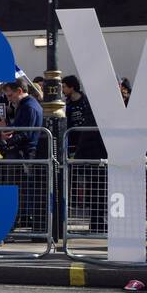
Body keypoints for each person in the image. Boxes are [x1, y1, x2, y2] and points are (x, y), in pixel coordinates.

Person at [0, 77, 45, 232]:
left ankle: (11, 223)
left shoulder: (28, 107)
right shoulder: (27, 105)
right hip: (23, 153)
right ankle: (15, 221)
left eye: (10, 95)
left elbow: (25, 132)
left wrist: (7, 142)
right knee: (19, 191)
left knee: (16, 190)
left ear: (20, 91)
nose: (9, 99)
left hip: (22, 154)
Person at [62, 75, 105, 233]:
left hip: (90, 151)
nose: (62, 90)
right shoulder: (69, 104)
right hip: (83, 149)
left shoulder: (87, 103)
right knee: (95, 188)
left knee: (97, 189)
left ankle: (97, 222)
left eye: (64, 86)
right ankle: (97, 222)